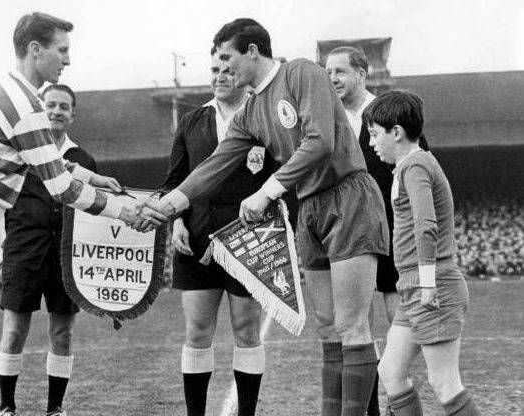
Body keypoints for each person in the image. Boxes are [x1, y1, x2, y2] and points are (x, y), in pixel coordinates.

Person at [0, 12, 163, 416]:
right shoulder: (23, 104)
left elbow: (45, 161)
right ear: (36, 50)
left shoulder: (13, 93)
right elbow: (60, 187)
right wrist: (124, 210)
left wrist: (92, 175)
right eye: (62, 50)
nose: (67, 60)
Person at [148, 18, 389, 416]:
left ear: (253, 52)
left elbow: (320, 142)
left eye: (229, 58)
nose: (224, 69)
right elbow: (213, 166)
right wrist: (165, 206)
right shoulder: (252, 111)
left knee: (352, 326)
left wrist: (265, 191)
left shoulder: (301, 73)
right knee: (327, 327)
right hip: (309, 208)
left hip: (347, 197)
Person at [161, 48, 278, 416]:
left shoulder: (264, 115)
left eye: (228, 69)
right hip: (195, 239)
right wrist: (176, 221)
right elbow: (173, 183)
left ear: (241, 72)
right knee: (197, 330)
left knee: (246, 328)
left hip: (249, 237)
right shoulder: (192, 121)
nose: (221, 75)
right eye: (214, 69)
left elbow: (281, 176)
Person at [365, 90, 481, 416]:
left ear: (397, 132)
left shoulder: (414, 165)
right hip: (414, 287)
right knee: (390, 371)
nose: (372, 143)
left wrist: (428, 283)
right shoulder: (411, 164)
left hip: (433, 286)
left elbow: (426, 224)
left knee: (444, 381)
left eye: (375, 135)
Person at [0, 84, 95, 416]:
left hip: (65, 254)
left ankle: (55, 408)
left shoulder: (83, 159)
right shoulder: (21, 152)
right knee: (13, 330)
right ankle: (7, 406)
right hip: (23, 251)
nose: (56, 111)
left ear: (72, 114)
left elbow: (89, 207)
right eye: (50, 105)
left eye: (63, 107)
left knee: (62, 332)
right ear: (41, 110)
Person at [325, 46, 396, 416]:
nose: (332, 78)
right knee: (356, 329)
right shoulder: (325, 119)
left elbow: (415, 162)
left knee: (403, 329)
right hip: (350, 236)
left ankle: (401, 400)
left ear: (362, 75)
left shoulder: (387, 112)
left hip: (392, 231)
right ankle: (371, 411)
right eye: (328, 72)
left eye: (340, 71)